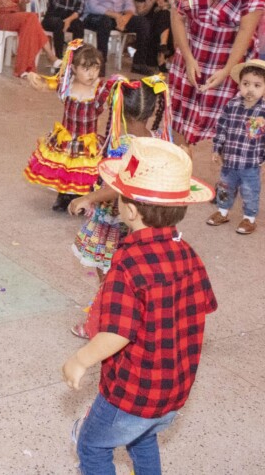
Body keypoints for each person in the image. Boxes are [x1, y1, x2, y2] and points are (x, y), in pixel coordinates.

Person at [63, 137, 217, 475]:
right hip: (174, 389)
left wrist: (80, 359)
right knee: (142, 438)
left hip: (131, 392)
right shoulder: (188, 254)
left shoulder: (128, 262)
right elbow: (202, 305)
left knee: (92, 446)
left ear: (129, 210)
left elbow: (117, 333)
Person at [67, 76, 172, 339]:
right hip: (143, 219)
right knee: (133, 275)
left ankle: (101, 324)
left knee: (109, 277)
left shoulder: (124, 144)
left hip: (116, 218)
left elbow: (118, 186)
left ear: (120, 110)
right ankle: (132, 319)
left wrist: (87, 198)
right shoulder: (157, 138)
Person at [169, 0, 265, 148]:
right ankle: (181, 167)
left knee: (231, 130)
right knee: (179, 121)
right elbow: (177, 17)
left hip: (233, 56)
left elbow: (246, 29)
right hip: (193, 53)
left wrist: (228, 70)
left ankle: (230, 170)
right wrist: (188, 59)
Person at [23, 42, 110, 212]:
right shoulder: (67, 84)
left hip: (87, 141)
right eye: (86, 68)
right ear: (74, 68)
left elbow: (115, 98)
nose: (92, 74)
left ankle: (81, 198)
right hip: (67, 137)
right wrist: (35, 78)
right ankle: (63, 196)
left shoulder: (99, 89)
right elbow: (45, 85)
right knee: (65, 169)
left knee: (83, 170)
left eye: (96, 68)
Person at [207, 59, 265, 235]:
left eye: (257, 85)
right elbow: (221, 129)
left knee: (250, 191)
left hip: (251, 164)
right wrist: (217, 148)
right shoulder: (231, 106)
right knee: (225, 187)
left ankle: (249, 218)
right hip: (229, 161)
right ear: (239, 84)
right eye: (246, 84)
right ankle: (222, 212)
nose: (250, 89)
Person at [83, 0, 151, 75]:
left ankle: (138, 63)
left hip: (117, 17)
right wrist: (117, 16)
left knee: (143, 23)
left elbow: (129, 4)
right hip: (95, 17)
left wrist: (126, 18)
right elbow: (93, 6)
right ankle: (100, 64)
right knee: (105, 22)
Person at [41, 0, 86, 67]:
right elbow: (53, 4)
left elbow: (80, 9)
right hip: (52, 16)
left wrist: (68, 20)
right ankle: (59, 61)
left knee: (79, 25)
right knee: (58, 23)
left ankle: (75, 58)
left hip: (70, 16)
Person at [132, 0, 173, 74]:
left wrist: (163, 5)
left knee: (166, 14)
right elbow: (140, 12)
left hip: (156, 23)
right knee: (165, 17)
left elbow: (164, 9)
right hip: (142, 21)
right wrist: (152, 1)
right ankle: (161, 56)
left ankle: (162, 48)